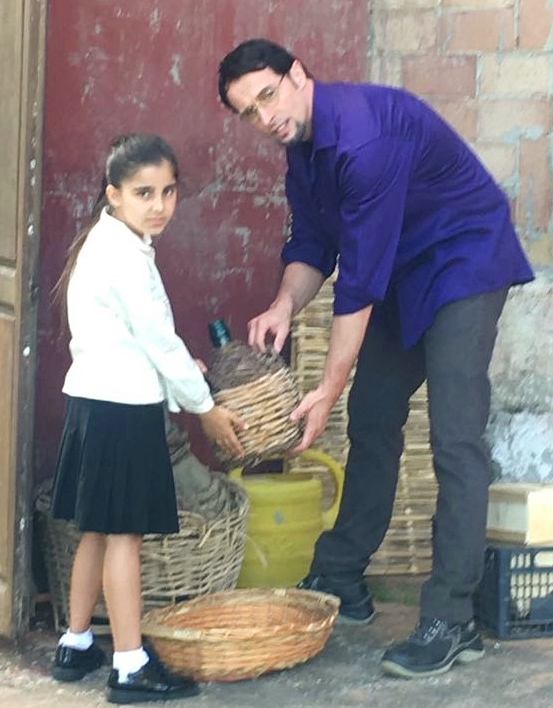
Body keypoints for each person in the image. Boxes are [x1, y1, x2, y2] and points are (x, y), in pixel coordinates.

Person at [217, 39, 534, 679]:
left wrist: (328, 386)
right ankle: (342, 574)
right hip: (401, 273)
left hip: (463, 263)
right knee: (373, 418)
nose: (265, 118)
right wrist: (283, 306)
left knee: (455, 436)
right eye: (249, 112)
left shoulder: (362, 140)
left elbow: (357, 283)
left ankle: (452, 618)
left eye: (268, 96)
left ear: (297, 74)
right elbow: (313, 243)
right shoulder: (303, 149)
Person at [49, 133, 246, 703]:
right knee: (125, 537)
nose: (159, 205)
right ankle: (130, 666)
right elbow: (160, 342)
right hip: (122, 410)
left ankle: (76, 643)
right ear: (113, 194)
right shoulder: (125, 257)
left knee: (96, 529)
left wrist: (181, 375)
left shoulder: (109, 241)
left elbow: (141, 341)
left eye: (168, 191)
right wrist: (205, 408)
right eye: (143, 193)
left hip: (92, 402)